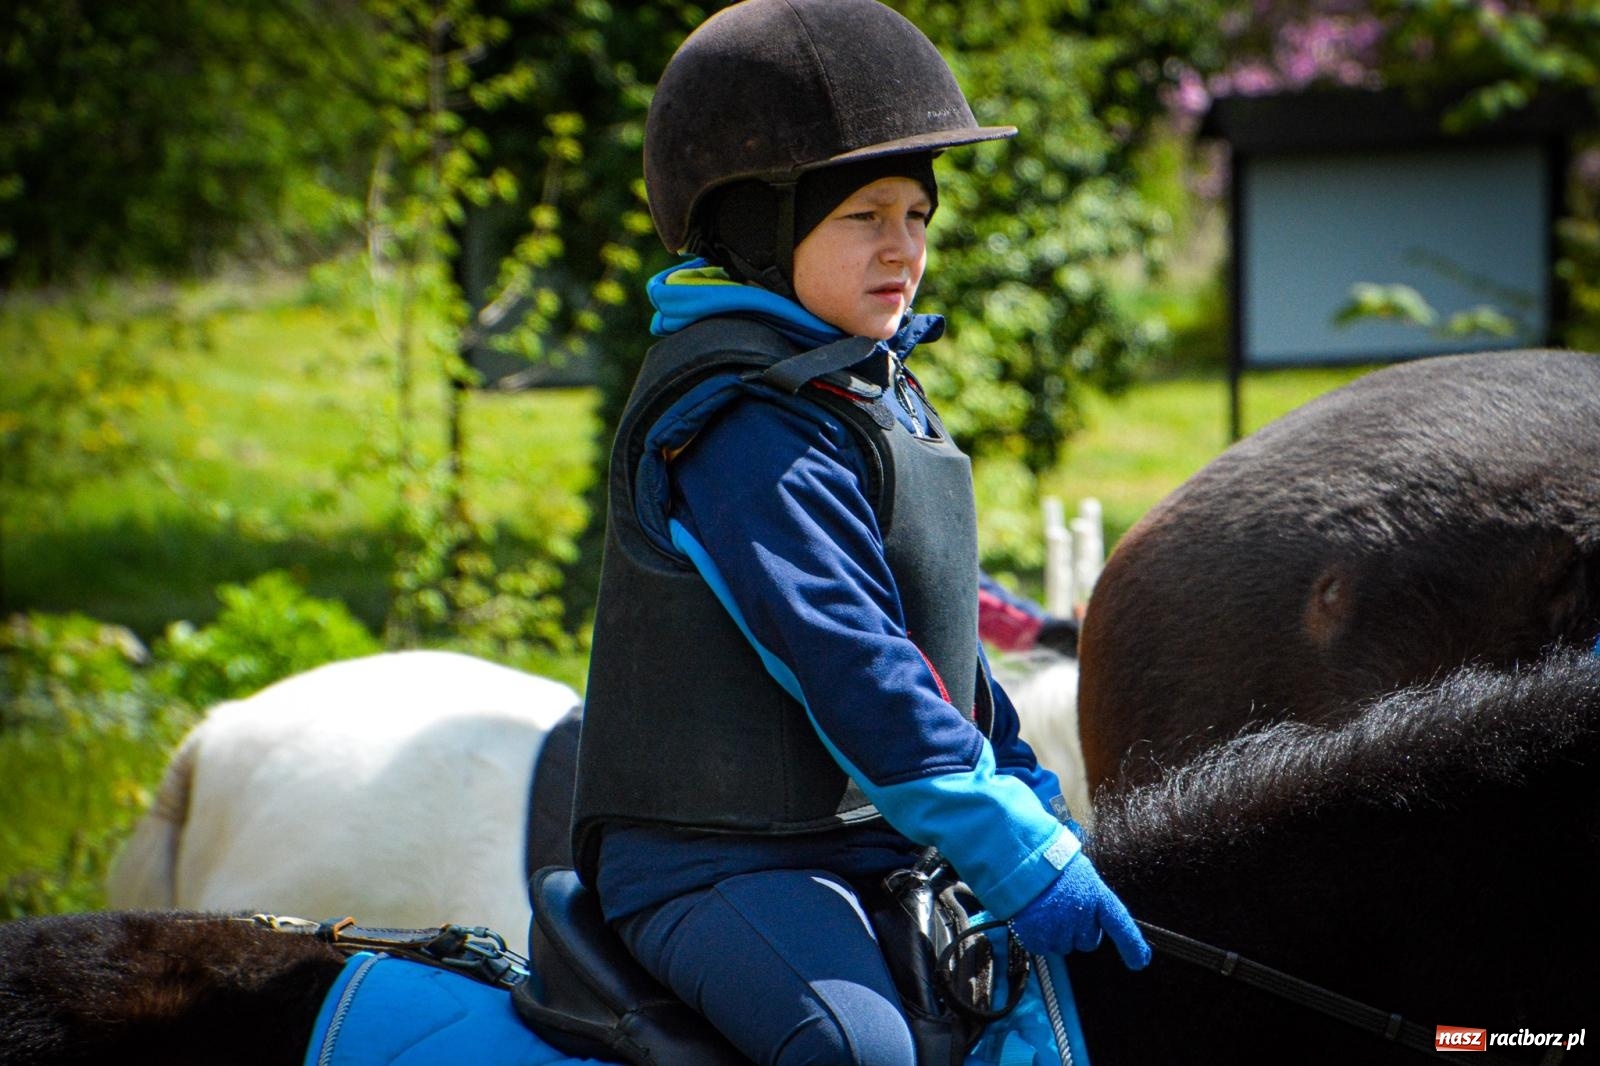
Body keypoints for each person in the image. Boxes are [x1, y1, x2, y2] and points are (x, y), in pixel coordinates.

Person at [571, 2, 1148, 1062]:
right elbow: (851, 658)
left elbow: (941, 653)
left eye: (918, 216)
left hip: (868, 843)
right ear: (755, 226)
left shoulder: (869, 393)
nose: (904, 248)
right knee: (856, 1052)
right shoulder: (740, 419)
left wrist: (1031, 799)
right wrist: (1012, 855)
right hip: (714, 863)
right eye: (864, 217)